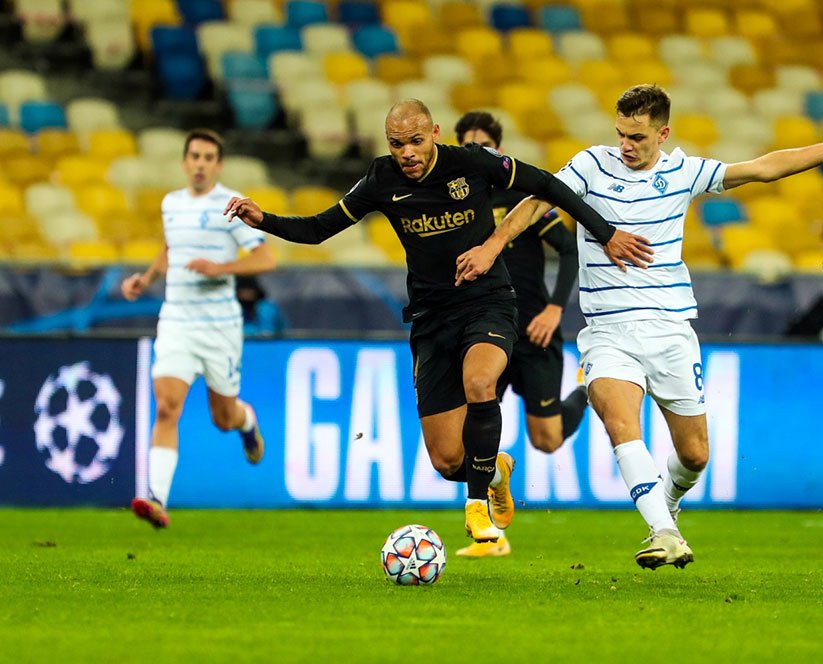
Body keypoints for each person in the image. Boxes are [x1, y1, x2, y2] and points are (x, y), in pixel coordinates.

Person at [456, 84, 823, 568]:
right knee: (621, 426)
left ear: (663, 133)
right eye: (620, 134)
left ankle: (670, 504)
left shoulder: (685, 172)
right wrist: (491, 246)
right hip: (608, 331)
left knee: (695, 454)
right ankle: (663, 531)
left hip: (671, 330)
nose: (625, 145)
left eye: (636, 136)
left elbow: (764, 168)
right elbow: (534, 202)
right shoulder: (592, 165)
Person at [224, 99, 653, 544]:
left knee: (482, 384)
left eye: (415, 140)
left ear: (434, 132)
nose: (406, 152)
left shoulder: (470, 163)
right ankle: (495, 471)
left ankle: (476, 508)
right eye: (396, 144)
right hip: (431, 319)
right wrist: (264, 220)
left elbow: (547, 184)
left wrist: (607, 234)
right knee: (448, 460)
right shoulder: (380, 178)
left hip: (487, 303)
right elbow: (318, 229)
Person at [122, 129, 277, 528]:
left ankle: (246, 422)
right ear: (184, 162)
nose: (200, 163)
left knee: (222, 417)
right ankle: (156, 498)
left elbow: (266, 258)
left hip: (219, 327)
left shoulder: (230, 205)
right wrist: (147, 277)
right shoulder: (171, 204)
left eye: (209, 157)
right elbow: (171, 246)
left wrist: (220, 268)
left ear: (218, 165)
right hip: (176, 319)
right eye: (195, 156)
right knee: (168, 405)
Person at [453, 111, 589, 558]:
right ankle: (491, 536)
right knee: (465, 437)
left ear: (499, 149)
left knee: (546, 440)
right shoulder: (452, 202)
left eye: (484, 146)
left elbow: (568, 249)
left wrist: (554, 308)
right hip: (487, 329)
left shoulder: (522, 196)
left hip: (533, 329)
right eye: (467, 145)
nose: (476, 153)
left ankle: (586, 388)